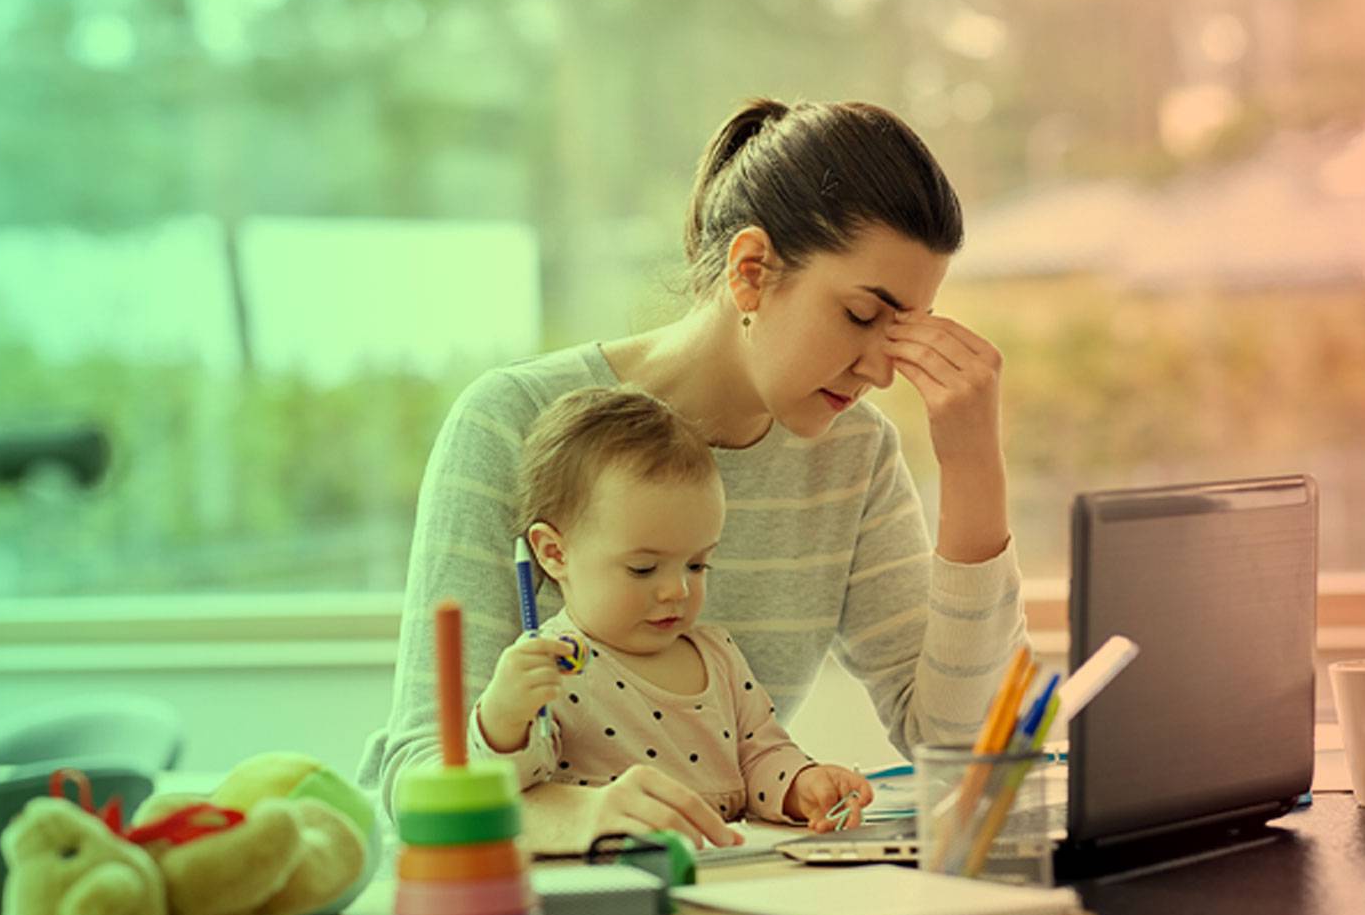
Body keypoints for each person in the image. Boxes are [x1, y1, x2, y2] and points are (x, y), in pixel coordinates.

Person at [358, 97, 1025, 852]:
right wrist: (586, 814)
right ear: (750, 271)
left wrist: (974, 471)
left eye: (906, 330)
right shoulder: (511, 420)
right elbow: (420, 777)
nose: (882, 369)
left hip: (735, 896)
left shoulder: (854, 453)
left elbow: (968, 753)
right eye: (862, 316)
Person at [476, 386, 873, 837]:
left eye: (697, 563)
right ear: (554, 553)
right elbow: (505, 791)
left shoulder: (718, 655)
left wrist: (802, 785)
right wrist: (504, 719)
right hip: (617, 883)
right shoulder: (551, 666)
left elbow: (761, 755)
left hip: (727, 874)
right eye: (643, 568)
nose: (677, 589)